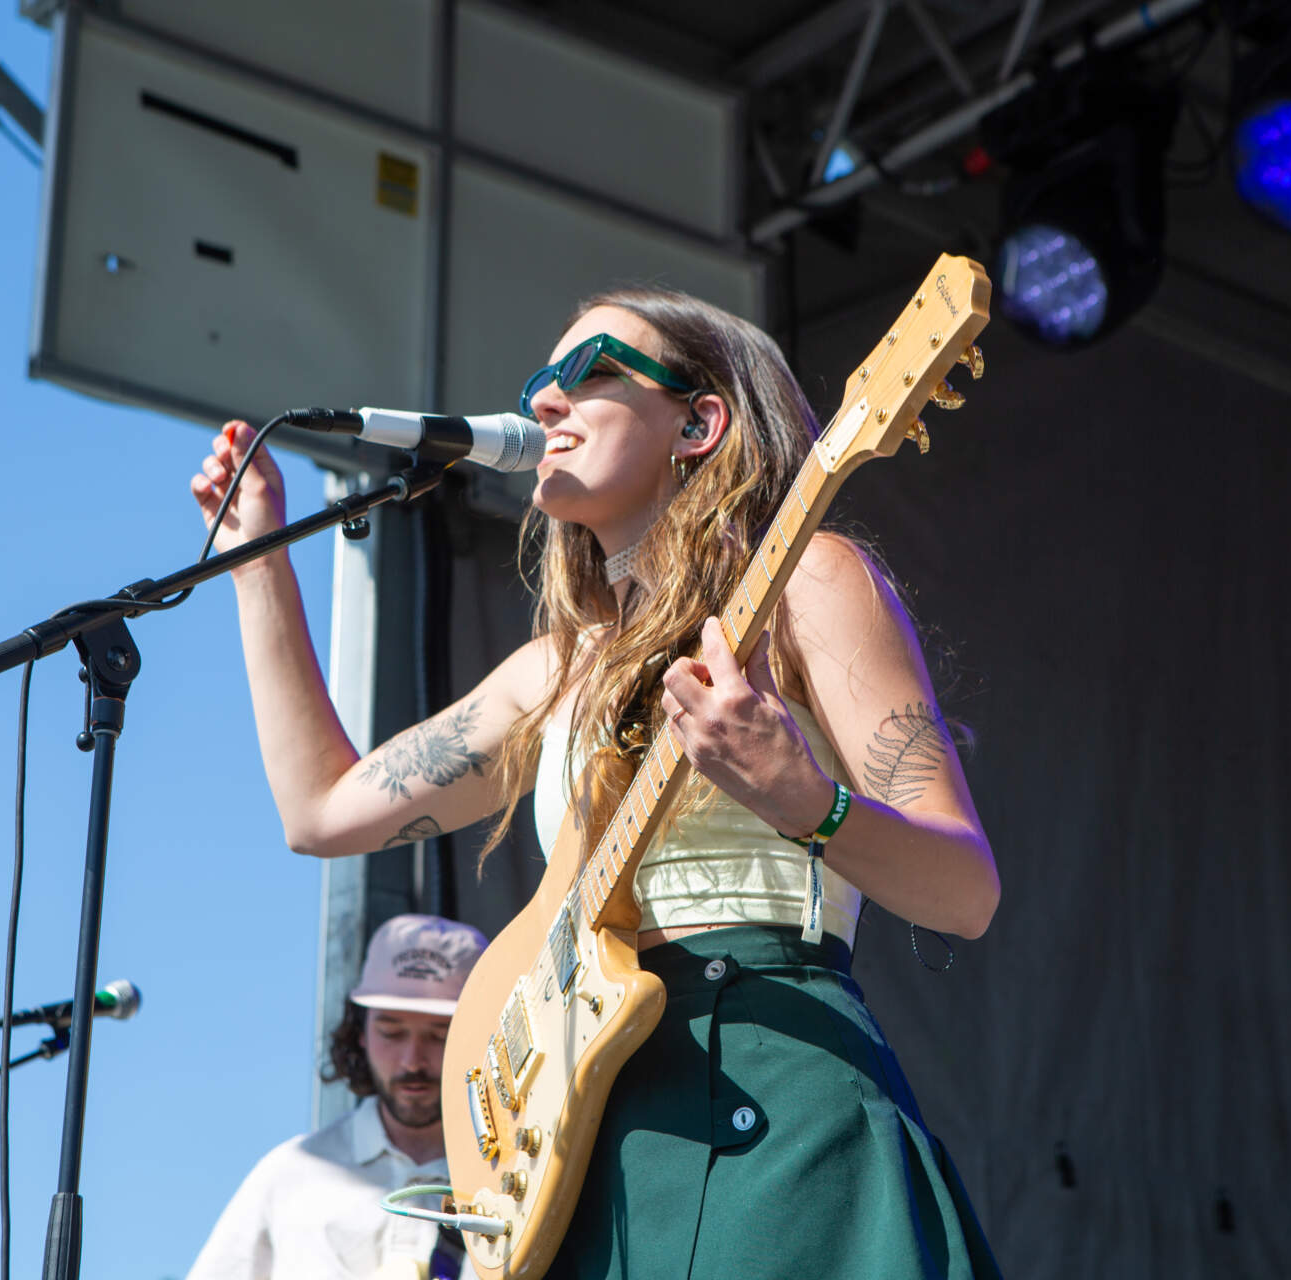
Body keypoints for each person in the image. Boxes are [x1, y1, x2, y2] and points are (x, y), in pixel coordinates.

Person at [190, 287, 1003, 1278]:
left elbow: (964, 890)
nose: (544, 404)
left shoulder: (809, 582)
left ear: (699, 422)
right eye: (540, 384)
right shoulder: (556, 668)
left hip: (771, 1090)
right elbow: (321, 810)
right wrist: (253, 561)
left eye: (589, 374)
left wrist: (805, 798)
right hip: (589, 1139)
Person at [183, 913, 487, 1280]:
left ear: (481, 1035)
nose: (412, 1060)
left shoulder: (519, 1178)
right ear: (360, 1031)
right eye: (391, 1032)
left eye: (439, 1036)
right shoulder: (290, 1172)